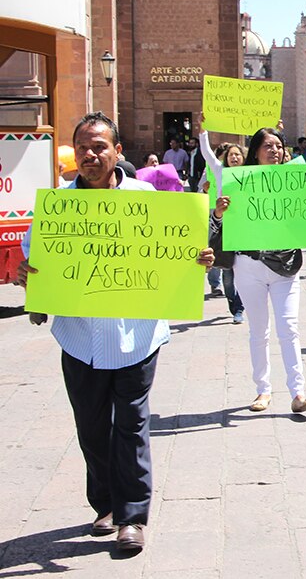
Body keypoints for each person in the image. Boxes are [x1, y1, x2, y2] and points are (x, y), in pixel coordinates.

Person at [15, 112, 214, 553]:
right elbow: (34, 255)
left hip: (138, 336)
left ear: (117, 152)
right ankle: (103, 504)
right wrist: (29, 273)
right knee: (90, 427)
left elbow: (180, 247)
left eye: (99, 146)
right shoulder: (56, 207)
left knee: (131, 424)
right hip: (79, 337)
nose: (90, 154)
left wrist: (198, 257)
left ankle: (131, 517)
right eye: (83, 146)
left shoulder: (147, 199)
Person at [211, 126, 306, 413]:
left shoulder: (297, 180)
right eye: (268, 146)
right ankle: (263, 391)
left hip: (286, 265)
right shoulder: (237, 182)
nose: (275, 150)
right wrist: (219, 212)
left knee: (289, 327)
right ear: (255, 151)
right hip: (249, 266)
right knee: (259, 330)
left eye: (278, 146)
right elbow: (219, 223)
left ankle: (298, 392)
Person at [198, 116, 247, 323]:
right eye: (231, 155)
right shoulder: (219, 172)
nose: (234, 158)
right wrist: (203, 131)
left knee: (245, 273)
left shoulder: (251, 174)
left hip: (246, 228)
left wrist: (277, 131)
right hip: (225, 226)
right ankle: (234, 307)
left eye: (238, 155)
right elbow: (207, 154)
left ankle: (242, 306)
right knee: (227, 275)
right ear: (226, 158)